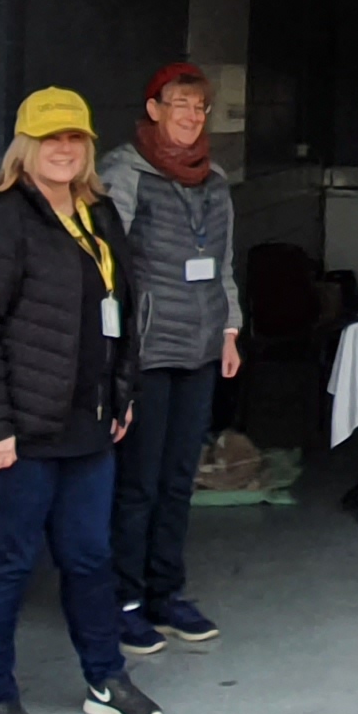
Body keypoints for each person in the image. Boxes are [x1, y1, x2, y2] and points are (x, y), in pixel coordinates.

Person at [0, 88, 157, 714]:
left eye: (75, 139)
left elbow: (119, 314)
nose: (64, 150)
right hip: (12, 431)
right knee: (6, 563)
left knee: (90, 556)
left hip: (84, 425)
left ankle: (104, 679)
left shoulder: (98, 213)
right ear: (25, 147)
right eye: (50, 138)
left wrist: (121, 397)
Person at [98, 64, 241, 654]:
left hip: (201, 348)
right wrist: (114, 350)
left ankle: (165, 592)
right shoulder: (123, 172)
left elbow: (225, 262)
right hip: (147, 351)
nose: (190, 116)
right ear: (154, 109)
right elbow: (109, 268)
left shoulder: (215, 180)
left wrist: (230, 328)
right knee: (139, 483)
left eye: (199, 108)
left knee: (180, 480)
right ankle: (123, 601)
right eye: (179, 104)